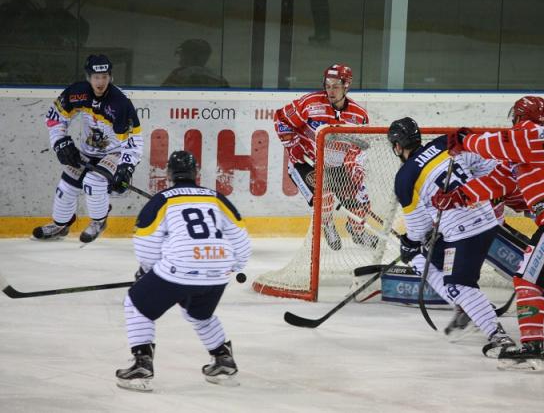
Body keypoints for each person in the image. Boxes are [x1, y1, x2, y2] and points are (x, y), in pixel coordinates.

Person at [435, 96, 544, 371]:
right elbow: (498, 181)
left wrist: (466, 140)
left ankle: (531, 350)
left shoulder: (532, 133)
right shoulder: (523, 149)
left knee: (527, 279)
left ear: (517, 116)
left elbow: (496, 144)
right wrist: (459, 196)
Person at [115, 150, 251, 391]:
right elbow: (240, 236)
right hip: (218, 271)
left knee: (136, 304)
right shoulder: (215, 197)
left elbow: (146, 242)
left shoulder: (162, 199)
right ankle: (223, 360)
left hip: (179, 268)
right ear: (195, 173)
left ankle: (141, 365)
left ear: (168, 174)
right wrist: (234, 266)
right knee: (199, 314)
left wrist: (148, 271)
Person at [388, 117, 516, 358]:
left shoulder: (404, 177)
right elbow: (486, 166)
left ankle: (498, 336)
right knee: (433, 259)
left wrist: (410, 243)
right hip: (487, 220)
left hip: (463, 232)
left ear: (397, 146)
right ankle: (468, 308)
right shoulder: (442, 144)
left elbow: (418, 226)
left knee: (455, 283)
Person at [33, 54, 143, 243]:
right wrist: (61, 142)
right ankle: (60, 224)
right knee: (66, 186)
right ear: (88, 77)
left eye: (105, 77)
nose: (100, 82)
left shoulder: (120, 103)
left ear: (111, 77)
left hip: (113, 153)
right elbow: (55, 118)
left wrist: (126, 168)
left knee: (93, 182)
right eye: (96, 77)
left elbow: (134, 140)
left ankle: (99, 221)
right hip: (86, 151)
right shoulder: (76, 93)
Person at [274, 63, 374, 250]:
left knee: (360, 200)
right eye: (328, 85)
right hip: (306, 163)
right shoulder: (310, 104)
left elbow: (359, 146)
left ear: (346, 86)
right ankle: (327, 224)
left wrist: (354, 164)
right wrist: (294, 148)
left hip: (336, 166)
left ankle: (357, 232)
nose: (331, 90)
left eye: (336, 86)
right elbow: (280, 119)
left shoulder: (359, 115)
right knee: (323, 193)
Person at [162, 39, 229, 88]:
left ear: (189, 56)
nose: (180, 58)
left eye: (182, 54)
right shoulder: (220, 80)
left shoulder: (179, 74)